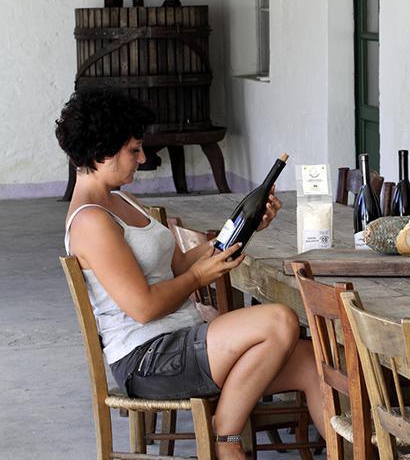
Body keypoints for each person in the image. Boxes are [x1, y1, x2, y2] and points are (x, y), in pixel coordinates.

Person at [56, 88, 324, 460]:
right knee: (280, 320)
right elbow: (144, 308)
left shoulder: (119, 199)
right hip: (149, 361)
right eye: (134, 149)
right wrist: (201, 277)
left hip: (183, 342)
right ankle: (226, 437)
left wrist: (243, 230)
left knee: (311, 361)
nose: (142, 157)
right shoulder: (91, 221)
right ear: (102, 152)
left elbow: (176, 266)